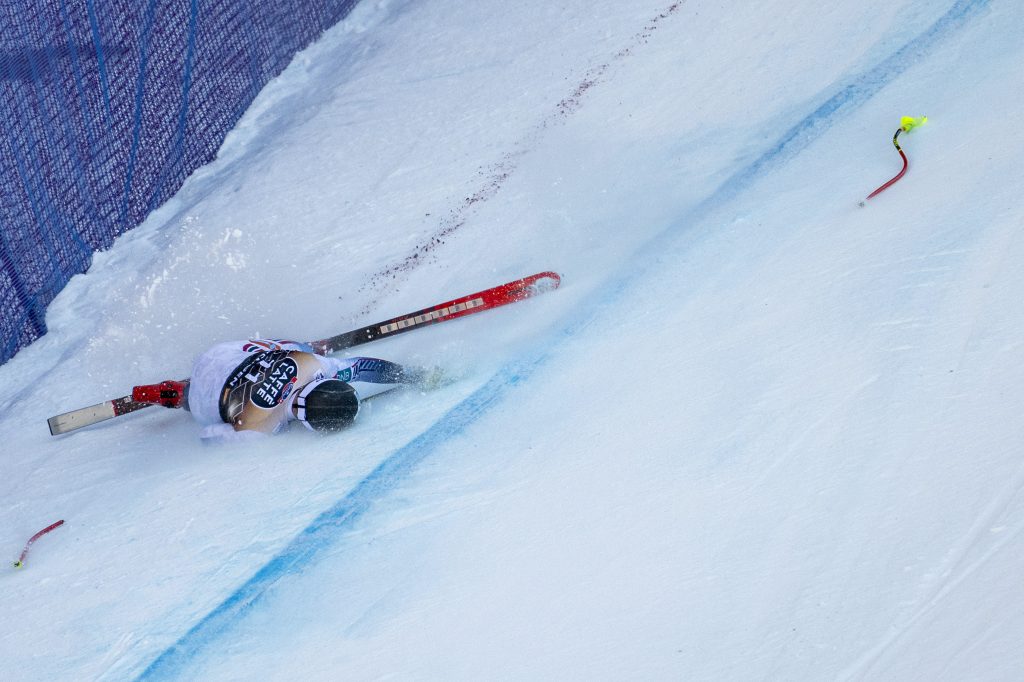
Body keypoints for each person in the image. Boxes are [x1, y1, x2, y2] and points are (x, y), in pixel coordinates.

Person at [132, 338, 435, 443]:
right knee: (210, 409)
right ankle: (176, 394)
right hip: (201, 398)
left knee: (293, 347)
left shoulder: (312, 365)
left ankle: (298, 342)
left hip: (226, 353)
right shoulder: (261, 429)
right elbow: (209, 436)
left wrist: (412, 375)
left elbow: (364, 366)